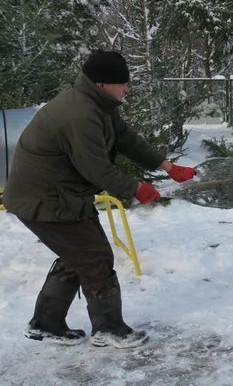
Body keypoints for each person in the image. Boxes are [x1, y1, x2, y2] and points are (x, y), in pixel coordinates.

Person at [3, 50, 197, 347]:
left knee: (78, 255)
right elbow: (95, 167)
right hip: (45, 198)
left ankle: (45, 324)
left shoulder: (98, 104)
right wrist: (136, 188)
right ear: (102, 83)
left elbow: (126, 138)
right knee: (95, 258)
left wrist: (167, 166)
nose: (127, 89)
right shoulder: (79, 114)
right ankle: (108, 328)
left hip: (61, 194)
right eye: (122, 83)